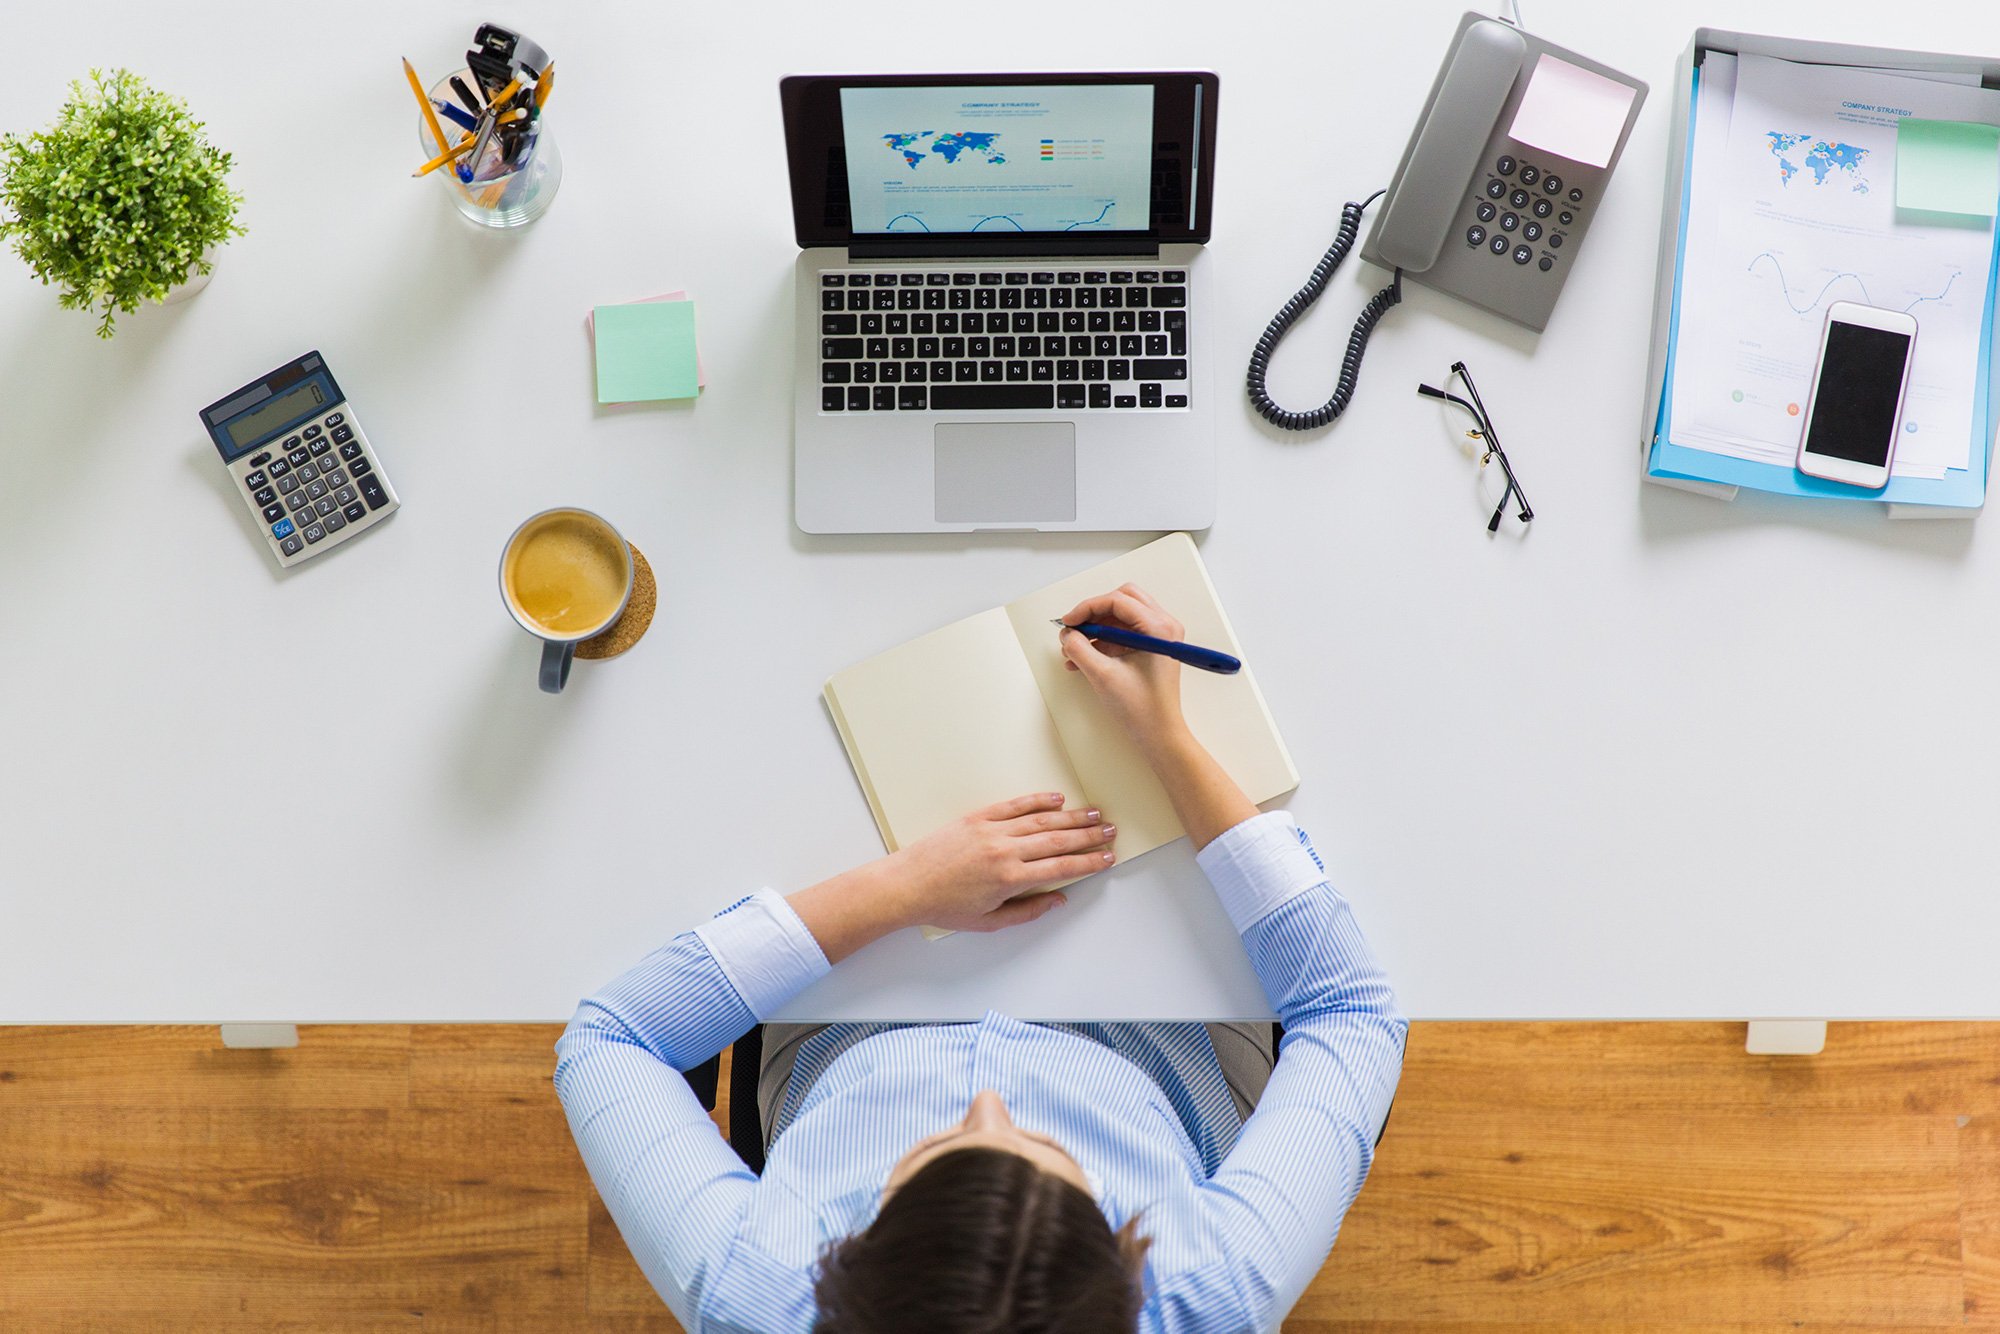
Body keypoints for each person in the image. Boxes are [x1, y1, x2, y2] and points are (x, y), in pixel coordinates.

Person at [555, 584, 1406, 1333]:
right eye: (1050, 1147)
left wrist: (902, 889)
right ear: (1128, 1263)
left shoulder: (758, 1293)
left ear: (842, 1261)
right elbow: (1353, 1014)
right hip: (1156, 1024)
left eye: (935, 1148)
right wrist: (1170, 740)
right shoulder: (1214, 1291)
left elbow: (610, 1041)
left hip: (853, 1006)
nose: (990, 1098)